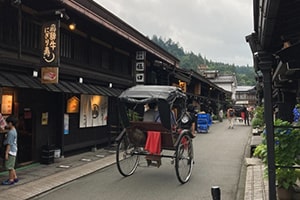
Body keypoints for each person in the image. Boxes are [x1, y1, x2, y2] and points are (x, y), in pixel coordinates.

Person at [2, 115, 19, 185]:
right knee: (11, 165)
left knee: (9, 167)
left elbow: (9, 144)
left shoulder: (11, 133)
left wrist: (6, 153)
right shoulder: (14, 130)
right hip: (14, 150)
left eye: (7, 123)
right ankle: (15, 177)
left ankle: (11, 180)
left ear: (10, 123)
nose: (6, 124)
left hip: (11, 151)